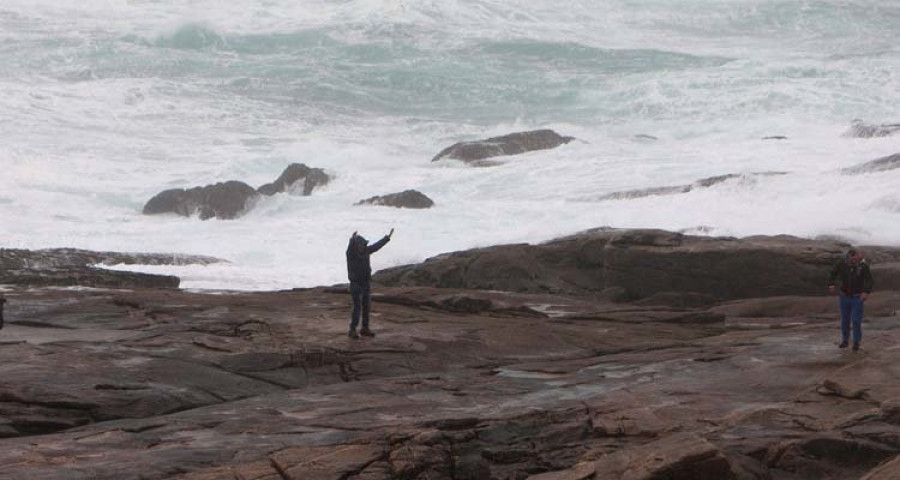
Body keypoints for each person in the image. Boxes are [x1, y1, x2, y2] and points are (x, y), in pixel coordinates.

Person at [346, 228, 393, 339]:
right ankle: (352, 330)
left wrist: (387, 238)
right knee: (357, 308)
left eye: (363, 244)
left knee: (367, 307)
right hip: (356, 285)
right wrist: (351, 240)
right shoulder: (351, 254)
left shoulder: (367, 250)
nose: (362, 246)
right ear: (356, 245)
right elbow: (349, 249)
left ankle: (365, 328)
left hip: (366, 283)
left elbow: (377, 246)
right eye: (360, 245)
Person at [828, 249, 874, 351]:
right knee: (845, 320)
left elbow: (869, 280)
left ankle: (856, 342)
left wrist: (866, 292)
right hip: (844, 296)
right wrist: (831, 284)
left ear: (858, 257)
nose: (853, 261)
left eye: (855, 259)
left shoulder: (863, 266)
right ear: (848, 257)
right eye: (851, 259)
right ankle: (845, 340)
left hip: (857, 297)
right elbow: (833, 273)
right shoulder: (841, 264)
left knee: (856, 320)